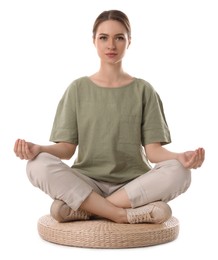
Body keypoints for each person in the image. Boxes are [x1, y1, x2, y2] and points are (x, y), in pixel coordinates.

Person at [14, 10, 205, 224]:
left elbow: (153, 152)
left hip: (132, 184)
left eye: (119, 38)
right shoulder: (77, 89)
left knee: (181, 172)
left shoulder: (144, 90)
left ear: (129, 41)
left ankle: (89, 208)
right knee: (36, 165)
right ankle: (119, 214)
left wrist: (180, 157)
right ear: (94, 40)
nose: (111, 45)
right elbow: (66, 149)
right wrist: (39, 149)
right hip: (86, 181)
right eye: (103, 37)